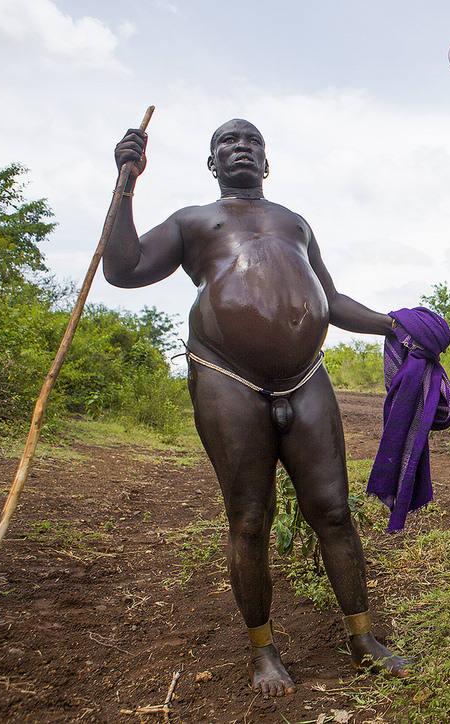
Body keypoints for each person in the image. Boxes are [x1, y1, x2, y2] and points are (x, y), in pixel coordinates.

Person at [105, 119, 409, 697]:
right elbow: (124, 270)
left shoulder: (294, 223)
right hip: (227, 375)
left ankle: (362, 637)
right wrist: (126, 184)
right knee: (249, 519)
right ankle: (263, 650)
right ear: (212, 162)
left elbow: (333, 299)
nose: (240, 148)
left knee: (335, 511)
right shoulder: (195, 221)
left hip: (306, 375)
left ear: (266, 163)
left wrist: (395, 324)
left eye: (251, 143)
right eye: (227, 143)